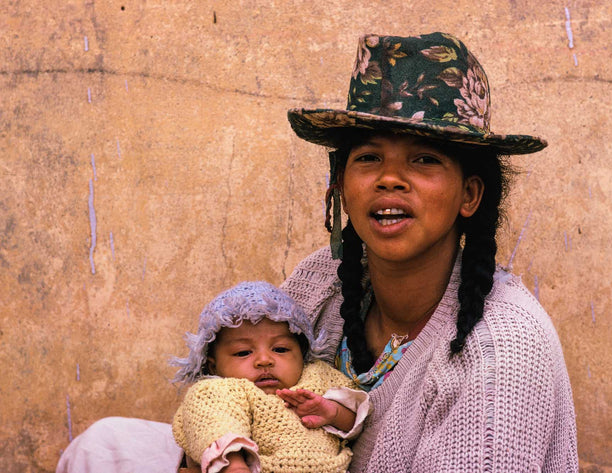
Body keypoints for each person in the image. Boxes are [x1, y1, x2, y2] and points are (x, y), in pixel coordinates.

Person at [56, 32, 578, 473]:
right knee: (104, 447)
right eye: (369, 157)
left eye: (423, 159)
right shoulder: (322, 280)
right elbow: (243, 399)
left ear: (470, 194)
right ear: (339, 185)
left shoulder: (502, 351)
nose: (390, 179)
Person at [171, 281, 369, 473]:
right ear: (213, 367)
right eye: (243, 352)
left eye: (280, 349)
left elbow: (359, 416)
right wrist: (234, 465)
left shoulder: (319, 376)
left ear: (302, 351)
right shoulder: (221, 390)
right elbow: (213, 425)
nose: (264, 360)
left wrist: (333, 412)